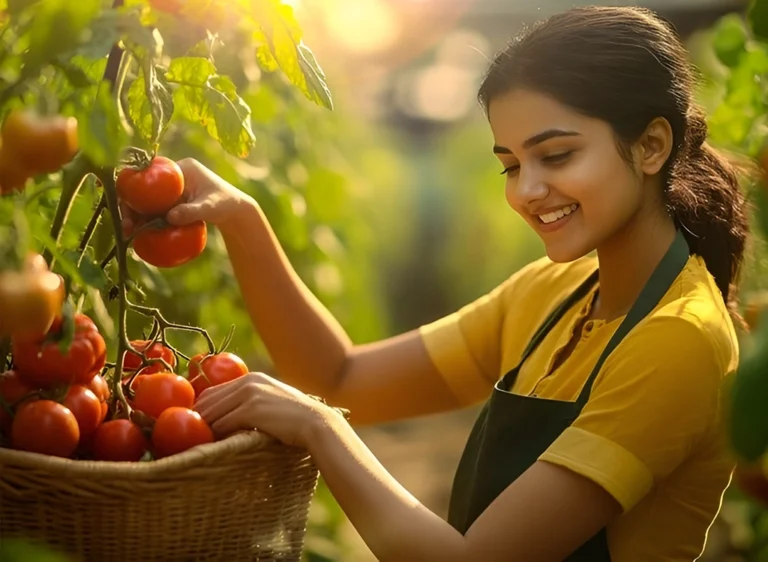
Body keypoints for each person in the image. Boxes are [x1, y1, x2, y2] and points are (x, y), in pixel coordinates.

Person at [126, 5, 750, 561]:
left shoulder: (678, 340)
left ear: (650, 146)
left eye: (556, 156)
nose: (527, 191)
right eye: (510, 164)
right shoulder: (550, 294)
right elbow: (341, 378)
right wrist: (242, 219)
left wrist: (321, 427)